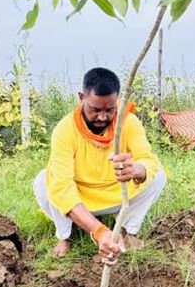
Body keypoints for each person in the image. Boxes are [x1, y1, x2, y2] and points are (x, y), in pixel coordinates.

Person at [33, 67, 166, 264]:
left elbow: (147, 160)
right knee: (44, 181)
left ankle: (126, 231)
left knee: (157, 176)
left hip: (114, 193)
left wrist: (135, 170)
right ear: (81, 98)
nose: (103, 117)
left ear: (117, 103)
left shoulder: (128, 123)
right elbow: (62, 188)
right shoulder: (65, 130)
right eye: (95, 110)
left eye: (109, 110)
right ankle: (65, 235)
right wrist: (99, 231)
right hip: (80, 197)